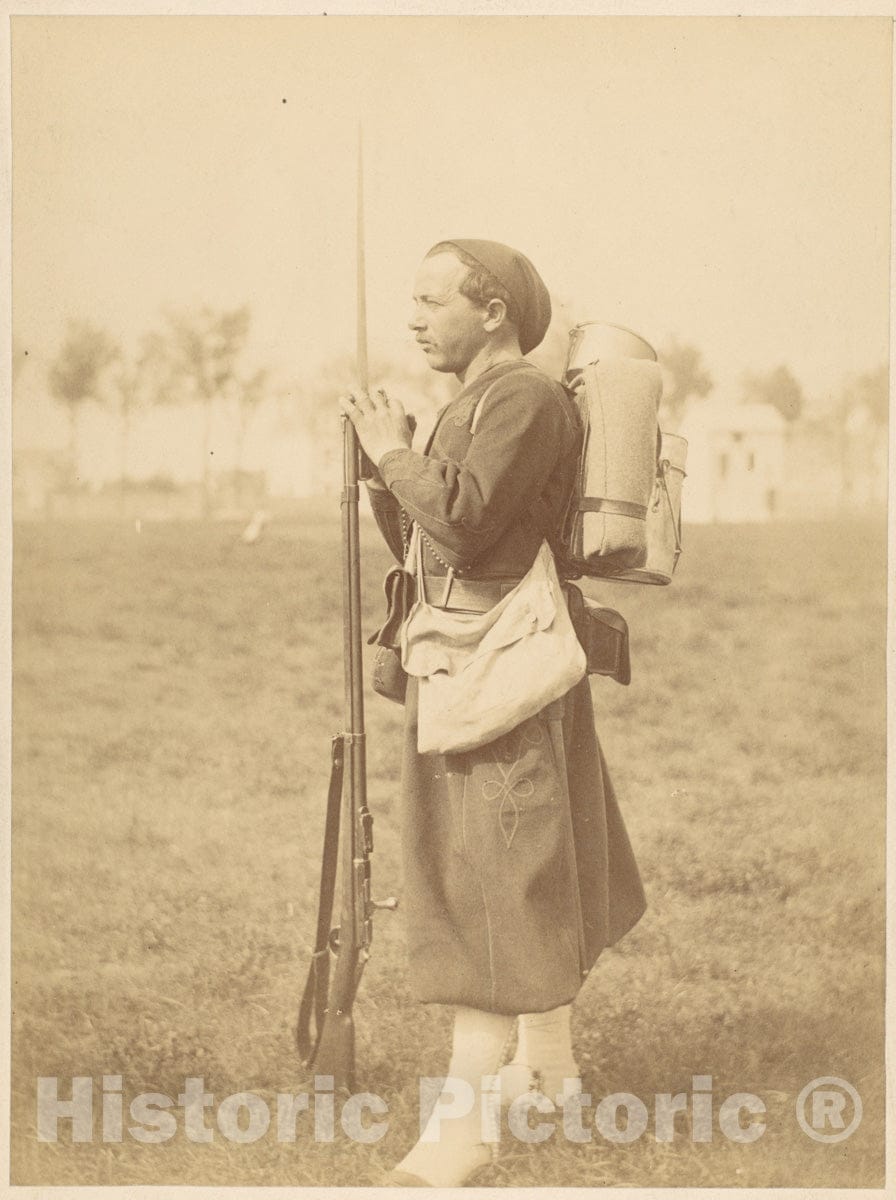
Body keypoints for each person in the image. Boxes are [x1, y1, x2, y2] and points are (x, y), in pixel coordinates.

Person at [340, 239, 646, 1187]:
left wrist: (394, 450)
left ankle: (463, 1133)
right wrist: (382, 465)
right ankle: (545, 1072)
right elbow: (434, 538)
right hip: (478, 661)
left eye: (433, 301)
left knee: (490, 879)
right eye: (413, 302)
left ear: (496, 311)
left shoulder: (520, 397)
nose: (414, 319)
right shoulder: (471, 404)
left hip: (499, 671)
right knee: (519, 865)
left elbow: (466, 525)